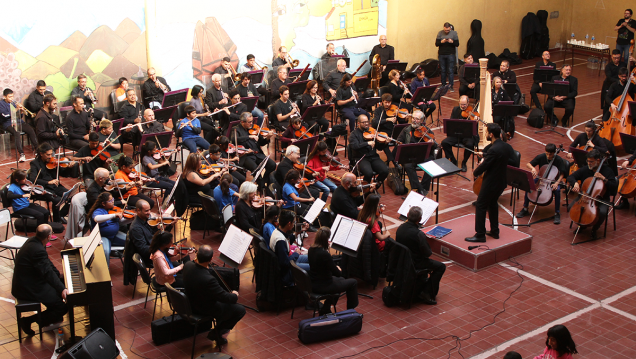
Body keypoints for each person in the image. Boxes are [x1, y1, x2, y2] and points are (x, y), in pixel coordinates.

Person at [182, 245, 245, 347]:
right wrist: (234, 295)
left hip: (188, 302)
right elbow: (225, 298)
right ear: (211, 259)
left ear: (197, 255)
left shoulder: (188, 265)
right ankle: (216, 332)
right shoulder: (208, 280)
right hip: (202, 308)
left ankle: (220, 326)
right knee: (240, 310)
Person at [12, 224, 68, 336]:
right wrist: (62, 289)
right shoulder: (37, 249)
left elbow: (47, 264)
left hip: (31, 280)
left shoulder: (34, 241)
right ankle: (28, 321)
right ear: (48, 236)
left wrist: (58, 277)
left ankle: (52, 315)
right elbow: (46, 272)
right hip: (28, 287)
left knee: (60, 282)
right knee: (61, 308)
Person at [466, 123, 515, 243]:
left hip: (491, 182)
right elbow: (509, 158)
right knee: (492, 204)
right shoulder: (506, 146)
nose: (486, 134)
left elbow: (486, 165)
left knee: (481, 205)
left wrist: (476, 172)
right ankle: (494, 231)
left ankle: (480, 234)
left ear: (491, 134)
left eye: (487, 132)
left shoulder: (493, 149)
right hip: (501, 182)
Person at [396, 207, 446, 305]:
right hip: (415, 263)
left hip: (402, 261)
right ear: (420, 219)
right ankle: (427, 292)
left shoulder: (400, 228)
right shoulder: (419, 234)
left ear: (407, 214)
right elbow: (428, 253)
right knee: (441, 267)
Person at [567, 149, 617, 240]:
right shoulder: (585, 169)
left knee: (601, 212)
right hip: (584, 196)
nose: (589, 163)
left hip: (601, 199)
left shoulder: (608, 171)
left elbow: (614, 186)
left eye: (591, 161)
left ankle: (595, 229)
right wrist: (575, 183)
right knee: (571, 207)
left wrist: (604, 179)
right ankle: (581, 225)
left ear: (598, 160)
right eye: (588, 161)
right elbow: (571, 177)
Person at [309, 227, 358, 315]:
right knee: (353, 282)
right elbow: (338, 273)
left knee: (342, 281)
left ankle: (326, 308)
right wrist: (338, 268)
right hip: (324, 286)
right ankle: (350, 311)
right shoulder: (324, 254)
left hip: (314, 282)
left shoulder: (311, 250)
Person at [516, 143, 568, 225]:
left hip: (554, 180)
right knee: (529, 185)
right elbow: (528, 164)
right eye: (547, 153)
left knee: (557, 190)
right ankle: (525, 208)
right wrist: (533, 168)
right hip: (541, 178)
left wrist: (557, 183)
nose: (548, 156)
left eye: (550, 154)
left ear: (554, 152)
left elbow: (562, 174)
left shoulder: (558, 160)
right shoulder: (541, 156)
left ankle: (557, 213)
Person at [29, 143, 77, 223]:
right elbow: (33, 179)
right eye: (48, 155)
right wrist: (48, 182)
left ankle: (61, 214)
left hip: (55, 186)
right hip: (44, 188)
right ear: (41, 154)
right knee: (57, 200)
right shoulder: (35, 163)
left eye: (51, 154)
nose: (50, 157)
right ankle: (57, 221)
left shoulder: (54, 161)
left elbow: (64, 174)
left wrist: (69, 168)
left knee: (72, 196)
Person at [229, 112, 277, 189]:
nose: (251, 123)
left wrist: (267, 138)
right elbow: (234, 140)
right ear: (242, 122)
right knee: (256, 169)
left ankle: (264, 181)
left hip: (257, 154)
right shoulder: (236, 129)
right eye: (249, 122)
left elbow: (262, 143)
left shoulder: (254, 128)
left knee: (272, 165)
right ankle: (262, 188)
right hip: (246, 156)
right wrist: (249, 136)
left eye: (252, 121)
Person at [393, 110, 435, 195]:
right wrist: (400, 144)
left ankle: (423, 187)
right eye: (413, 118)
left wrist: (432, 143)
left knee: (431, 164)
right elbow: (398, 141)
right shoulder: (406, 130)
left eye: (417, 119)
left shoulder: (427, 131)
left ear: (422, 120)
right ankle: (418, 188)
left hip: (422, 156)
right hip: (410, 157)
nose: (414, 120)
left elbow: (434, 147)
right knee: (408, 165)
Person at [270, 210, 310, 285]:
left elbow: (287, 242)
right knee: (313, 267)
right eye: (294, 222)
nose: (294, 224)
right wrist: (296, 254)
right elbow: (285, 263)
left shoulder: (277, 230)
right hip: (287, 271)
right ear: (289, 223)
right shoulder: (280, 241)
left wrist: (299, 231)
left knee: (311, 257)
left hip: (289, 260)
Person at [441, 96, 479, 172]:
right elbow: (451, 122)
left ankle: (464, 162)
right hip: (456, 134)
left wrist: (475, 123)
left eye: (464, 104)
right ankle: (453, 159)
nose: (462, 106)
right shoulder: (455, 109)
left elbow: (474, 130)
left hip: (468, 135)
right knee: (444, 142)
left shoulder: (473, 111)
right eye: (461, 104)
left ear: (468, 103)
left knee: (470, 145)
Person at [88, 192, 127, 267]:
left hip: (114, 235)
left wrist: (132, 219)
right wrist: (113, 215)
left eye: (112, 199)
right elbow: (97, 218)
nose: (113, 201)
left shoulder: (113, 209)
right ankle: (105, 273)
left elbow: (121, 221)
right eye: (110, 201)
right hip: (102, 236)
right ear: (103, 203)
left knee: (131, 241)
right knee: (105, 251)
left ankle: (130, 267)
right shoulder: (98, 211)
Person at [349, 114, 389, 184]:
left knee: (385, 171)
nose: (366, 124)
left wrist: (384, 143)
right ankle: (366, 190)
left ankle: (375, 186)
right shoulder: (354, 134)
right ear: (358, 123)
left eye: (367, 121)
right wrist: (367, 143)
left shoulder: (372, 131)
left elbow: (379, 148)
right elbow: (354, 146)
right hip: (361, 158)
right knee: (369, 173)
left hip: (373, 157)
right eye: (364, 122)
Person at [0, 89, 38, 162]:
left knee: (30, 130)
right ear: (4, 97)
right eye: (9, 97)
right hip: (8, 123)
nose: (12, 98)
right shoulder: (1, 104)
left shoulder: (14, 103)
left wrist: (21, 111)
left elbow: (19, 116)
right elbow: (5, 115)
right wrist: (16, 109)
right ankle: (22, 154)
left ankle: (37, 150)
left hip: (18, 122)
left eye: (12, 96)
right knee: (17, 133)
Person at [372, 93, 409, 167]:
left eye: (389, 102)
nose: (388, 104)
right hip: (382, 131)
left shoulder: (394, 109)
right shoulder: (378, 110)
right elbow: (374, 123)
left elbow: (402, 122)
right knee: (385, 141)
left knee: (402, 140)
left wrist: (405, 119)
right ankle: (394, 162)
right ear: (382, 102)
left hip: (393, 131)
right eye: (386, 102)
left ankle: (391, 158)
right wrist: (386, 119)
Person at [129, 199, 163, 264]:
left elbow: (159, 235)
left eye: (150, 209)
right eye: (146, 211)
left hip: (157, 250)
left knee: (183, 255)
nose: (149, 212)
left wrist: (168, 226)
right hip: (150, 256)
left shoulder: (148, 220)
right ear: (138, 211)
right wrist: (160, 248)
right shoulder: (136, 228)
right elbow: (143, 249)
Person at [436, 22, 459, 92]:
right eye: (445, 30)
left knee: (450, 70)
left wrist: (452, 42)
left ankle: (450, 85)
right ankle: (443, 84)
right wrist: (441, 42)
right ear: (444, 28)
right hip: (442, 54)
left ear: (450, 28)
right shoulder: (440, 33)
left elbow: (457, 44)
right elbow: (436, 44)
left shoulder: (454, 33)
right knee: (443, 70)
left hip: (450, 54)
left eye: (448, 30)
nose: (447, 32)